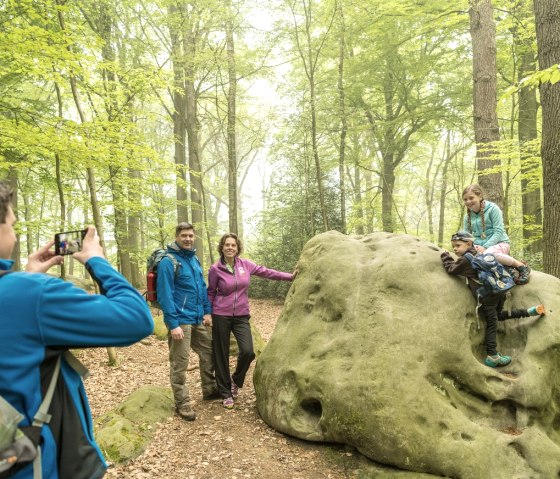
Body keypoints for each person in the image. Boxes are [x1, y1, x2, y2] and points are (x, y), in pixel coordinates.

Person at [0, 181, 154, 478]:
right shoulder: (30, 294)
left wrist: (26, 278)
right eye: (11, 224)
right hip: (36, 465)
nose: (15, 232)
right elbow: (136, 318)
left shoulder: (23, 293)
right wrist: (97, 260)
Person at [207, 233, 295, 409]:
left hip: (241, 315)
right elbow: (210, 292)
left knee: (248, 351)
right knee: (221, 354)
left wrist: (289, 276)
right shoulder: (215, 269)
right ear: (222, 248)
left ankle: (235, 381)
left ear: (238, 248)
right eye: (227, 245)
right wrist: (207, 313)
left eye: (233, 245)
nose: (230, 248)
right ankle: (226, 393)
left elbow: (266, 272)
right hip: (220, 314)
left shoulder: (245, 265)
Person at [440, 230, 544, 368]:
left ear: (469, 243)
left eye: (458, 245)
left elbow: (451, 269)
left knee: (492, 324)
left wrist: (445, 255)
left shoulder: (466, 259)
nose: (455, 249)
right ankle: (528, 312)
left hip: (488, 296)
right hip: (499, 291)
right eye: (453, 246)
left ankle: (492, 355)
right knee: (498, 316)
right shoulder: (479, 253)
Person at [156, 222, 217, 421]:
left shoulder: (194, 259)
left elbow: (201, 287)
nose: (188, 239)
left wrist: (207, 312)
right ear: (177, 236)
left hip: (197, 317)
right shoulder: (168, 261)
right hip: (180, 321)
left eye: (191, 235)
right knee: (180, 362)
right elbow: (165, 295)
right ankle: (182, 403)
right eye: (184, 235)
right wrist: (172, 324)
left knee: (208, 352)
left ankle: (210, 389)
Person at [462, 184, 531, 284]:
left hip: (500, 243)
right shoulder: (467, 217)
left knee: (487, 255)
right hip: (479, 247)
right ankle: (505, 269)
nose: (468, 201)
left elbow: (499, 231)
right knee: (468, 256)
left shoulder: (493, 209)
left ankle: (520, 266)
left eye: (471, 198)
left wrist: (485, 247)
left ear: (480, 196)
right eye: (465, 199)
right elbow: (467, 237)